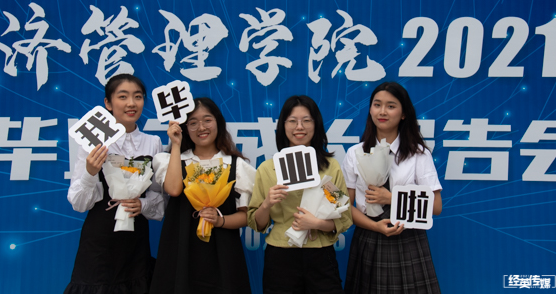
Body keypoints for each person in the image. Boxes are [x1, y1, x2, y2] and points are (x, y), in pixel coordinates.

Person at [64, 73, 164, 294]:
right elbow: (78, 203)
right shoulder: (94, 140)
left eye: (138, 96)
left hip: (135, 242)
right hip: (99, 239)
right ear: (108, 103)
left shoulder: (153, 142)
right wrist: (90, 172)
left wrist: (143, 205)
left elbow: (160, 195)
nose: (131, 103)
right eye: (123, 96)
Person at [342, 81, 442, 294]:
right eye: (377, 105)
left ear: (404, 113)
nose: (382, 112)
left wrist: (392, 199)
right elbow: (344, 205)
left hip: (408, 237)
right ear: (370, 110)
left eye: (391, 106)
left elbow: (436, 206)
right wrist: (374, 226)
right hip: (368, 235)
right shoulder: (355, 153)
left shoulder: (418, 154)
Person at [247, 95, 353, 294]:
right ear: (283, 125)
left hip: (320, 254)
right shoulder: (267, 169)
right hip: (280, 254)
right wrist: (266, 204)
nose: (299, 127)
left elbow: (344, 216)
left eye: (306, 120)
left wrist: (317, 223)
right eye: (292, 121)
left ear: (316, 124)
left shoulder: (330, 168)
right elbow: (257, 223)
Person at [150, 97, 255, 294]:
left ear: (218, 122)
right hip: (180, 250)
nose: (201, 127)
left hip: (223, 253)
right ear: (184, 128)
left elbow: (246, 216)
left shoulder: (236, 165)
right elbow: (174, 189)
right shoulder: (172, 160)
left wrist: (220, 220)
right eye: (193, 123)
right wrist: (175, 144)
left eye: (207, 120)